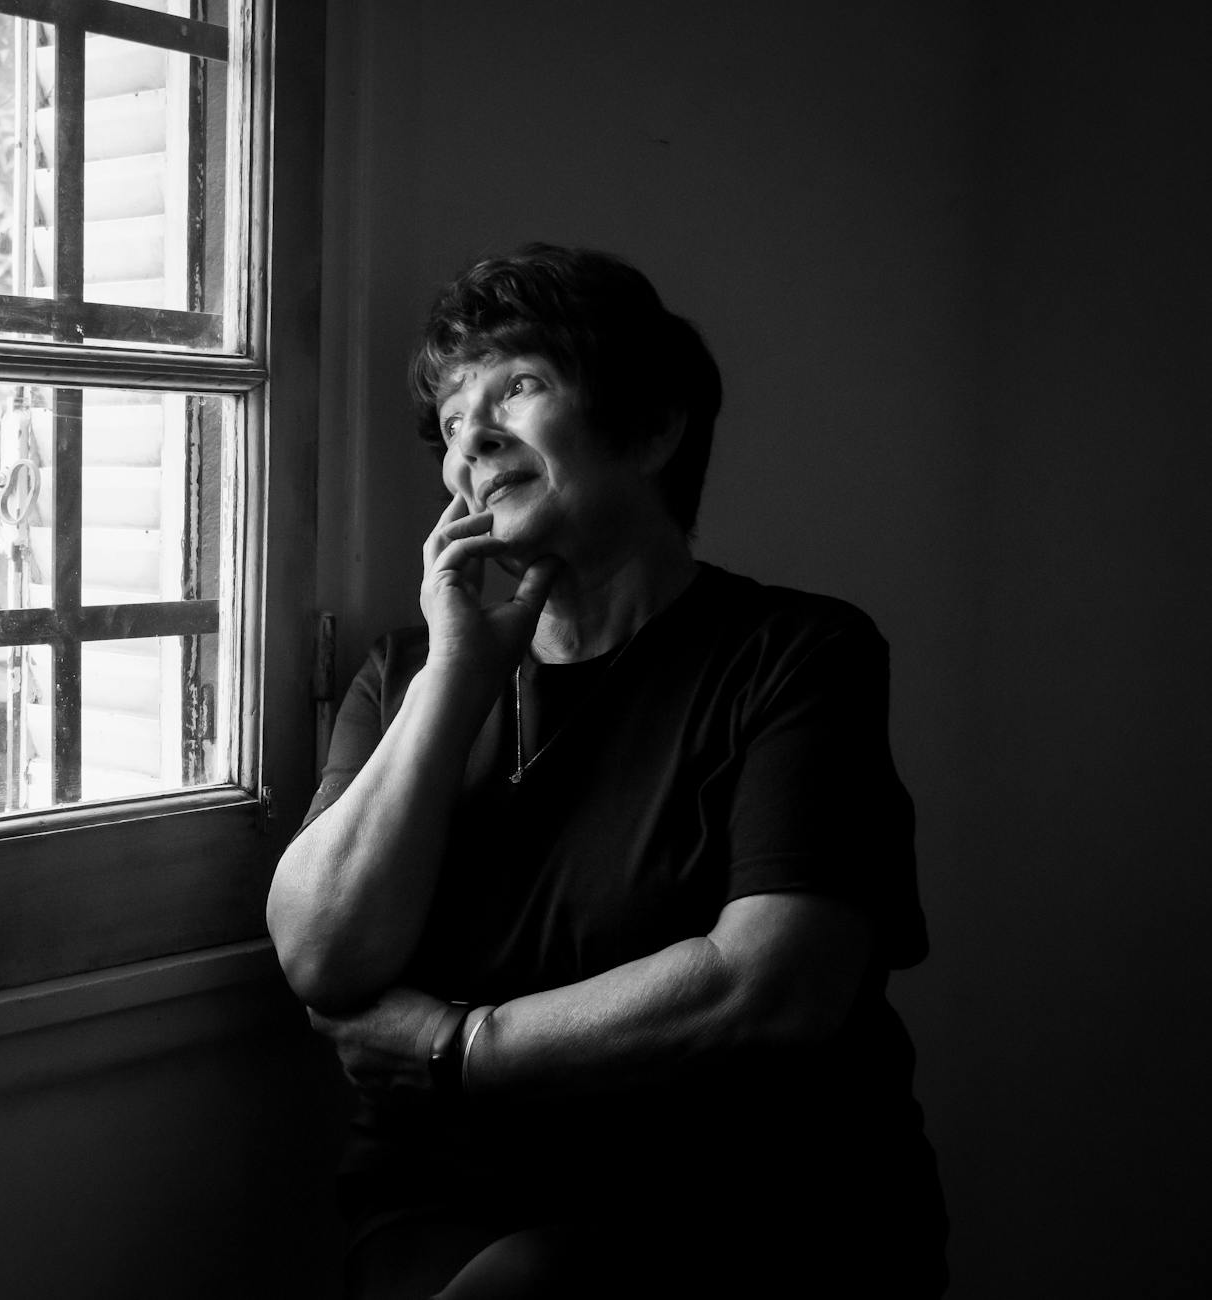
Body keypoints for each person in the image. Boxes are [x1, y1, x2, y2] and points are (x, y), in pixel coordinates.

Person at [266, 245, 947, 1297]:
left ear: (655, 427)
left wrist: (462, 1049)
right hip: (446, 1197)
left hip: (745, 1201)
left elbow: (776, 984)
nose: (471, 441)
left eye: (519, 387)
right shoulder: (407, 674)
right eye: (451, 420)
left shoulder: (796, 654)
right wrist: (455, 678)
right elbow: (322, 955)